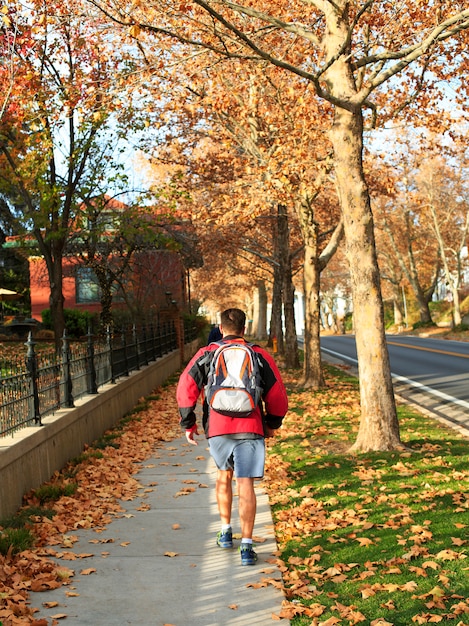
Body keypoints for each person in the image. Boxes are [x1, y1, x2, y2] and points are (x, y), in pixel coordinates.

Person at [176, 307, 288, 566]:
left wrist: (188, 423)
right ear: (244, 329)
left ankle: (226, 532)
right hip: (250, 425)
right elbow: (278, 395)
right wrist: (272, 423)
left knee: (223, 476)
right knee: (246, 483)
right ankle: (247, 547)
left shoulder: (207, 353)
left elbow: (185, 387)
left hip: (218, 426)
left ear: (220, 327)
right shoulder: (259, 355)